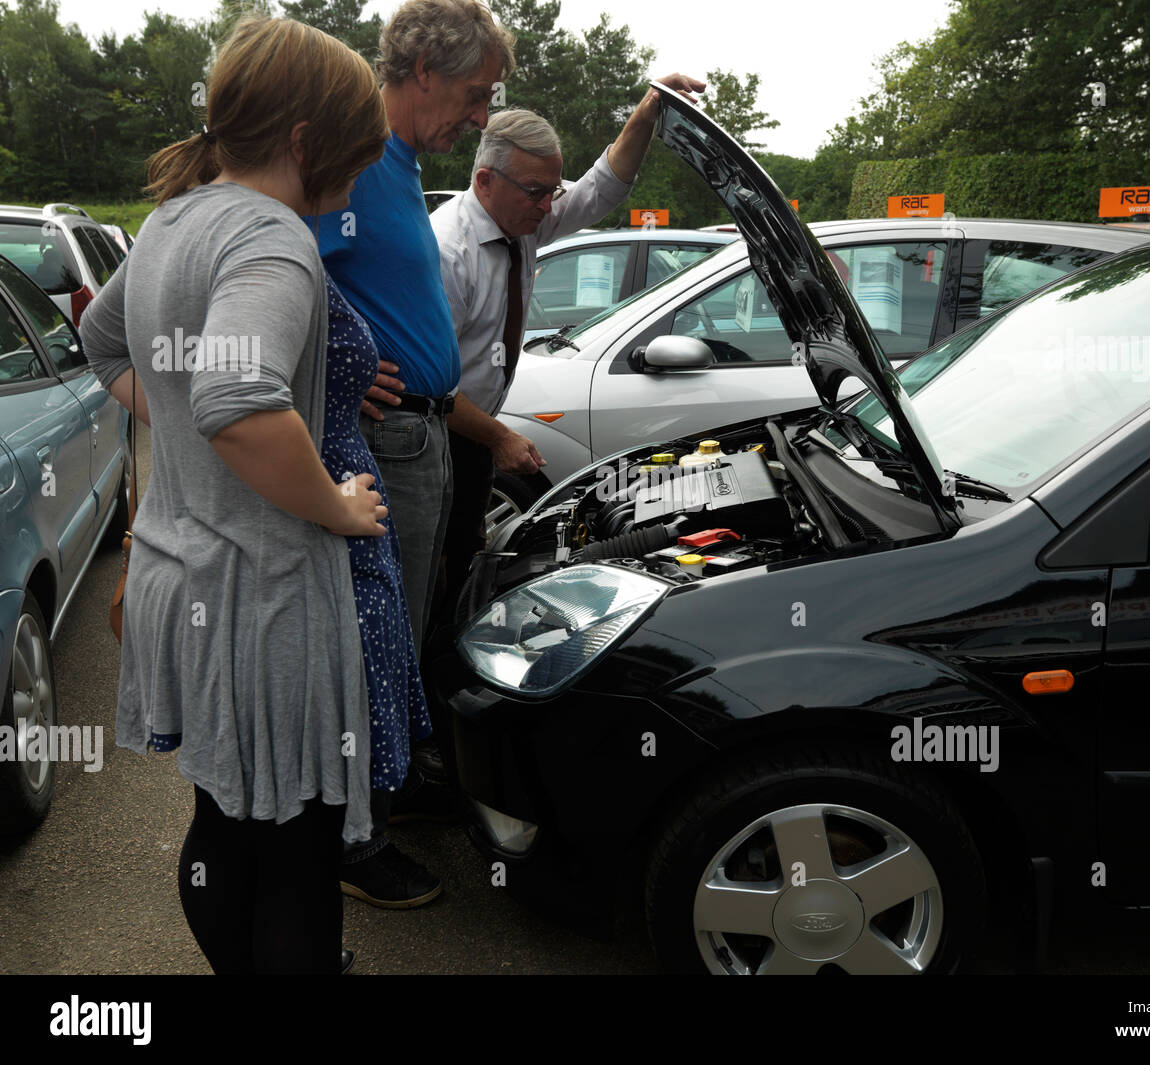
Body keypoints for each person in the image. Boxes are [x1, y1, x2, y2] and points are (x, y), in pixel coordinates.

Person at [79, 15, 390, 974]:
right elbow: (239, 399)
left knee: (225, 824)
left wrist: (178, 426)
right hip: (264, 602)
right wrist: (336, 508)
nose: (360, 175)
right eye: (356, 151)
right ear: (305, 141)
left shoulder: (173, 219)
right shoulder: (272, 238)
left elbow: (106, 345)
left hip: (188, 581)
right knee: (296, 854)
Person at [305, 0, 516, 909]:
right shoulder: (350, 163)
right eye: (474, 95)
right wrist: (328, 377)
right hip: (386, 441)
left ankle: (384, 793)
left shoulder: (395, 167)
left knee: (400, 633)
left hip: (423, 431)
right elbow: (281, 272)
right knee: (370, 643)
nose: (479, 116)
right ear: (422, 71)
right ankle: (356, 842)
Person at [429, 83, 704, 653]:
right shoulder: (447, 252)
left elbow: (599, 190)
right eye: (537, 192)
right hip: (438, 436)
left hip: (469, 435)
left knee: (463, 558)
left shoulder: (522, 219)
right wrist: (500, 437)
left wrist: (646, 114)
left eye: (552, 190)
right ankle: (436, 696)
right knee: (436, 571)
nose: (549, 206)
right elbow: (431, 386)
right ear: (485, 181)